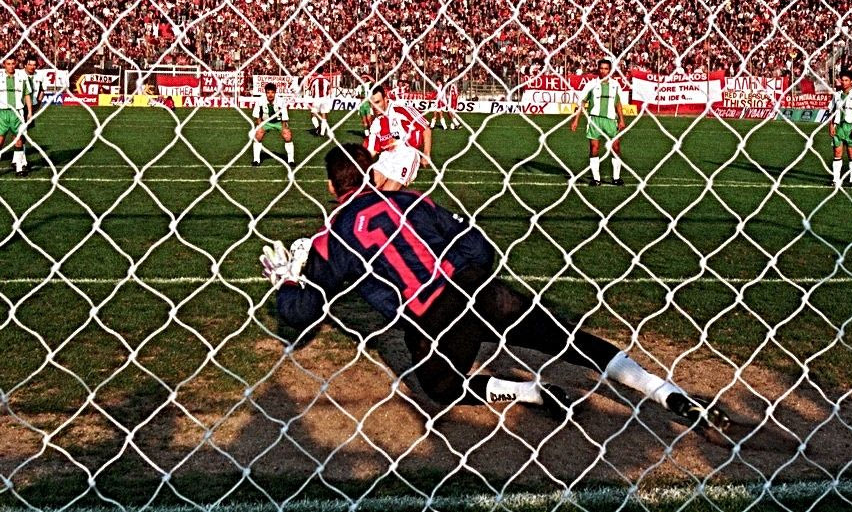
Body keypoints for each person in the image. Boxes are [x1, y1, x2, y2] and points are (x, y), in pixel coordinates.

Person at [260, 143, 732, 432]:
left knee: (440, 385)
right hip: (478, 291)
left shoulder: (336, 230)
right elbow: (482, 249)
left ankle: (530, 393)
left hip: (431, 321)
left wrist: (287, 281)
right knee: (567, 338)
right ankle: (668, 394)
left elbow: (301, 313)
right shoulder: (415, 201)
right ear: (372, 170)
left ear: (330, 187)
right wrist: (457, 272)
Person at [570, 59, 628, 186]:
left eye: (606, 68)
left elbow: (618, 103)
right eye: (601, 68)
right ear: (598, 69)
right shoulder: (591, 84)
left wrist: (622, 119)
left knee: (616, 147)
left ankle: (616, 178)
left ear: (610, 70)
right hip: (594, 120)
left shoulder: (615, 85)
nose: (603, 71)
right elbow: (582, 102)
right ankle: (596, 179)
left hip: (611, 120)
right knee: (594, 148)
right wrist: (576, 120)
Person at [365, 85, 431, 191]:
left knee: (387, 194)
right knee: (368, 187)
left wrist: (426, 154)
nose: (375, 107)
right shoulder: (376, 124)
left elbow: (425, 128)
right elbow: (371, 151)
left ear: (386, 99)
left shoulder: (401, 110)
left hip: (406, 157)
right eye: (372, 104)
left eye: (378, 102)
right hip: (386, 158)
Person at [826, 69, 852, 188]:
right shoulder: (837, 95)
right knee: (837, 152)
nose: (844, 82)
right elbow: (832, 111)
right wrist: (831, 125)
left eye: (846, 80)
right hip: (838, 126)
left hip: (851, 126)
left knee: (851, 153)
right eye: (842, 80)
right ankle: (835, 179)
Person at [1, 56, 32, 176]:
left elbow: (27, 94)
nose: (11, 66)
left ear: (16, 64)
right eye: (8, 64)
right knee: (0, 141)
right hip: (2, 112)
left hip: (17, 112)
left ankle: (19, 168)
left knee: (18, 139)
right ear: (4, 64)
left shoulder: (22, 77)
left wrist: (29, 111)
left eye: (13, 63)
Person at [252, 82, 295, 167]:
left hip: (278, 122)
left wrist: (283, 128)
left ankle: (291, 160)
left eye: (272, 92)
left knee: (287, 135)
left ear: (275, 92)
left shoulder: (280, 101)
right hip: (265, 121)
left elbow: (284, 116)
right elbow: (257, 116)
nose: (270, 95)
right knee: (258, 135)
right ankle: (256, 160)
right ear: (265, 93)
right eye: (268, 92)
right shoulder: (260, 100)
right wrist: (260, 126)